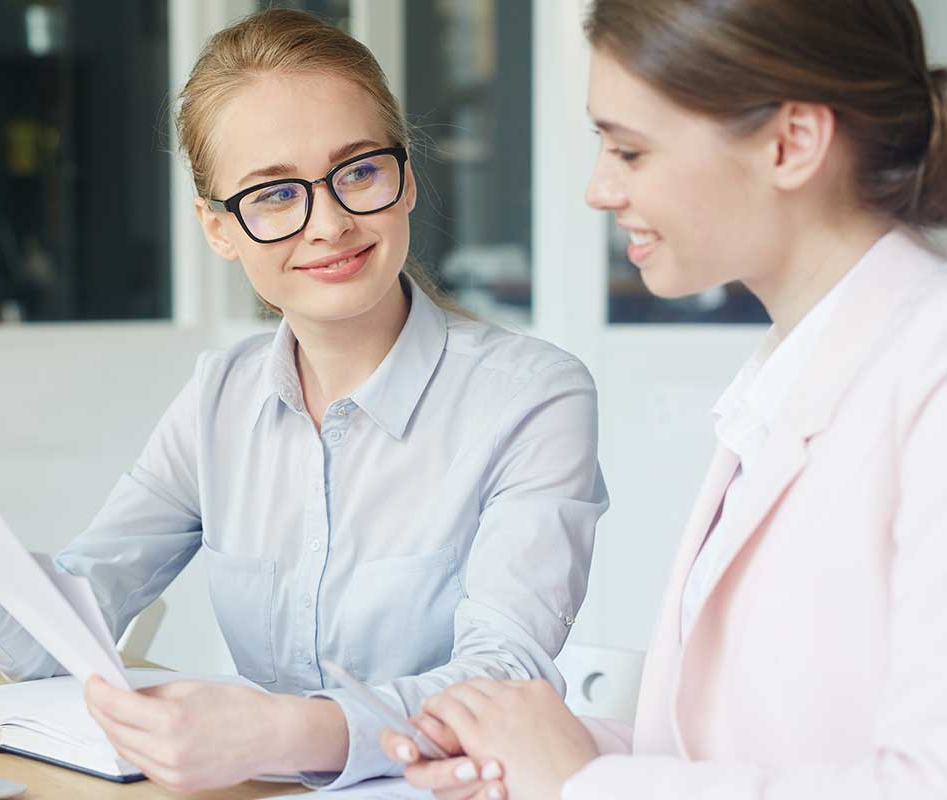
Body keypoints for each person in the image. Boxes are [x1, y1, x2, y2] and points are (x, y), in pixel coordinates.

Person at [0, 8, 608, 793]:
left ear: (406, 176)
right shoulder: (220, 396)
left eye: (358, 171)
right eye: (275, 195)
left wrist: (277, 731)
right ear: (218, 228)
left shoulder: (533, 396)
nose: (331, 222)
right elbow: (55, 642)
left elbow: (505, 681)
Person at [383, 1, 947, 798]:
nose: (598, 190)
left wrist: (582, 783)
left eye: (629, 150)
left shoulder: (929, 376)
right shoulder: (794, 370)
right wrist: (553, 750)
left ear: (791, 143)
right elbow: (754, 746)